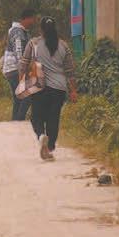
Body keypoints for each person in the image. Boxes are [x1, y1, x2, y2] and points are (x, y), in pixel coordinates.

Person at [20, 17, 77, 161]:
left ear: (41, 29)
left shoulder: (33, 43)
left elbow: (23, 64)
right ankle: (50, 146)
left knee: (36, 116)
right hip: (59, 88)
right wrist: (73, 90)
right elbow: (70, 70)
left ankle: (41, 135)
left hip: (39, 86)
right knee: (53, 117)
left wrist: (22, 83)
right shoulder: (64, 45)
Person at [1, 8, 38, 121]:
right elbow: (19, 53)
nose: (34, 21)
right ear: (27, 18)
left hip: (12, 69)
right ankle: (19, 121)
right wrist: (23, 72)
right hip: (15, 69)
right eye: (33, 19)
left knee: (18, 98)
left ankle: (15, 123)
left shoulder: (22, 32)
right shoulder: (18, 33)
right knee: (27, 96)